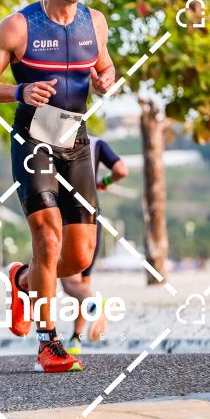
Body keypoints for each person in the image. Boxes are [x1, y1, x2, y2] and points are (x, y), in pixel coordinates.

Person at [0, 0, 117, 372]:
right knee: (48, 239)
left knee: (79, 257)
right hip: (33, 138)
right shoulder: (18, 26)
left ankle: (21, 279)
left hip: (75, 140)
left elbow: (106, 67)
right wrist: (19, 90)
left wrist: (105, 80)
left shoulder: (95, 22)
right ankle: (48, 342)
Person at [61, 135, 127, 355]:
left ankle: (95, 305)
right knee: (83, 283)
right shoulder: (97, 143)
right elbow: (121, 170)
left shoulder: (55, 139)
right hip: (92, 217)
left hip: (67, 216)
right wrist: (103, 183)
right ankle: (76, 339)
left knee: (70, 284)